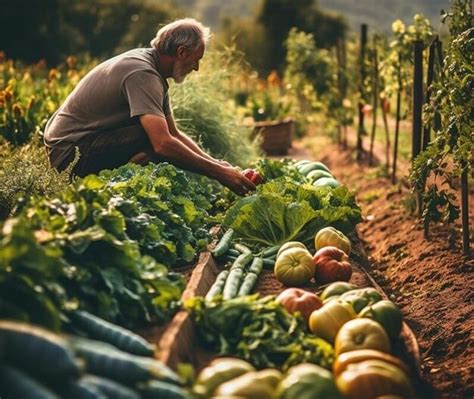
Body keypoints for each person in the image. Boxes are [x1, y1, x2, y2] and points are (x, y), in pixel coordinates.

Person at [43, 18, 255, 196]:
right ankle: (107, 192)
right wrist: (218, 174)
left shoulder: (151, 70)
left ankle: (112, 191)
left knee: (160, 138)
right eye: (196, 59)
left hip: (83, 143)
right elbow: (163, 143)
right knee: (154, 141)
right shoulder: (142, 74)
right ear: (181, 52)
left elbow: (174, 133)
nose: (197, 68)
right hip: (71, 154)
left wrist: (220, 165)